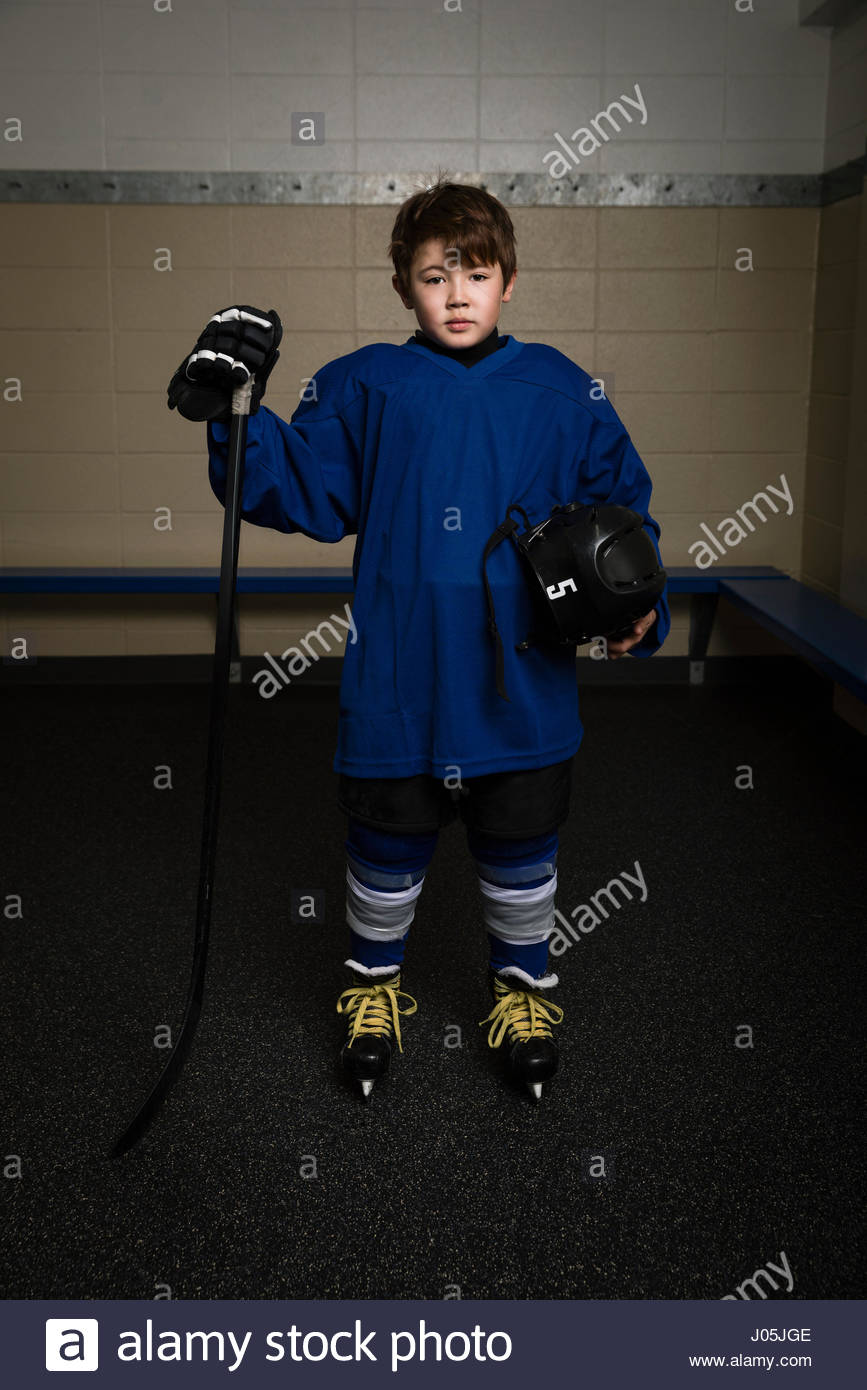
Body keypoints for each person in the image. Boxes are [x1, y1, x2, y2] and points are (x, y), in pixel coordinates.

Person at [167, 176, 670, 1102]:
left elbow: (622, 518)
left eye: (474, 273)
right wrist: (237, 417)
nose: (455, 294)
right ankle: (371, 987)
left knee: (521, 854)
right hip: (399, 678)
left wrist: (637, 600)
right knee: (384, 851)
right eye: (433, 276)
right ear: (403, 285)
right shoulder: (367, 384)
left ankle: (522, 990)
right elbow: (301, 489)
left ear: (508, 281)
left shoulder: (562, 391)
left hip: (519, 689)